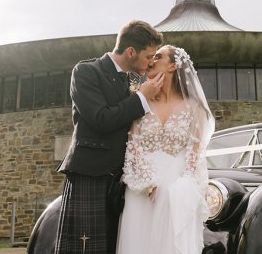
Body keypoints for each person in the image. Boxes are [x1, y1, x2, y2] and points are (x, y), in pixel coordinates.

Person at [55, 20, 164, 254]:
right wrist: (141, 99)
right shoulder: (86, 71)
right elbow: (100, 119)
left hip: (123, 183)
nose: (150, 63)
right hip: (91, 175)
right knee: (86, 249)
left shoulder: (134, 82)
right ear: (131, 52)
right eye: (148, 56)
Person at [117, 45, 215, 254]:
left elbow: (194, 154)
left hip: (176, 188)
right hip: (140, 189)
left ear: (173, 65)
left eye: (158, 56)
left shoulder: (194, 107)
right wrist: (148, 184)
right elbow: (133, 146)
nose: (151, 60)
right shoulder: (141, 101)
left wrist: (183, 186)